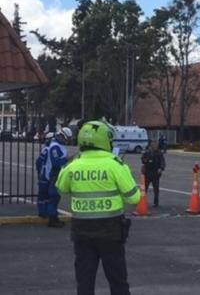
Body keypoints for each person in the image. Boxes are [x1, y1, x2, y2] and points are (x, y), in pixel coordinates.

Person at [56, 120, 140, 295]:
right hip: (110, 231)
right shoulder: (115, 164)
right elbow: (134, 197)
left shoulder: (73, 165)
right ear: (104, 141)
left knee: (85, 281)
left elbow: (61, 187)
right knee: (118, 280)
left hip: (82, 231)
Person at [42, 127, 72, 228]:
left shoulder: (59, 145)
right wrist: (67, 160)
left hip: (57, 174)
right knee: (54, 197)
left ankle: (54, 218)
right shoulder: (55, 147)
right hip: (54, 174)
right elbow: (56, 162)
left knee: (55, 197)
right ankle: (52, 219)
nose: (67, 141)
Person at [141, 140, 166, 207]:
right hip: (147, 173)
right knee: (144, 188)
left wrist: (161, 168)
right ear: (151, 145)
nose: (154, 146)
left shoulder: (159, 153)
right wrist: (145, 161)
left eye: (155, 145)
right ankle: (143, 201)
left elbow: (163, 162)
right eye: (153, 145)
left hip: (155, 173)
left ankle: (156, 202)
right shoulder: (147, 152)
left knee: (156, 189)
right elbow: (143, 159)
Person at [36, 132, 54, 218]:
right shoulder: (51, 149)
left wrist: (39, 172)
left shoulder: (46, 149)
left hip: (44, 175)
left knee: (43, 195)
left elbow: (38, 162)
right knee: (46, 195)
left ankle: (43, 211)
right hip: (48, 175)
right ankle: (45, 211)